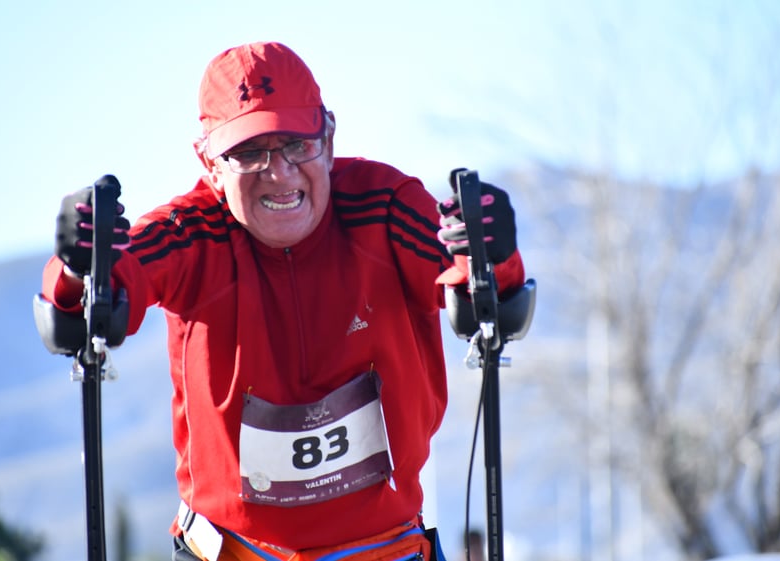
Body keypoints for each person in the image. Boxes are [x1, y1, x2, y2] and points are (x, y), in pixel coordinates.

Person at [40, 41, 525, 561]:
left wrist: (492, 253)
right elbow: (101, 290)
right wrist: (74, 266)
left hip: (383, 549)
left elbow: (474, 281)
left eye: (298, 144)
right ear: (209, 161)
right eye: (250, 153)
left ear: (330, 136)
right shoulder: (192, 230)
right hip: (231, 551)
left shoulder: (383, 205)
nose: (280, 173)